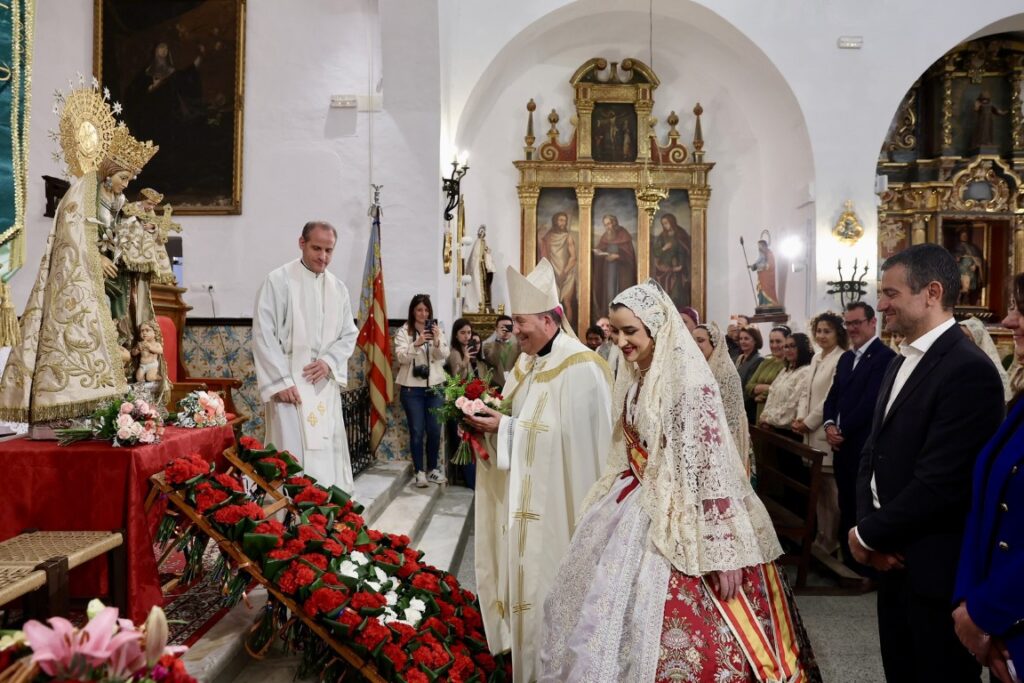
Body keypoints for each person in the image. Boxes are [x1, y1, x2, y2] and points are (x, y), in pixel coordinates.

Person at [538, 282, 819, 682]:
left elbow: (711, 469)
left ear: (657, 328)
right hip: (636, 500)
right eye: (616, 332)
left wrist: (722, 552)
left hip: (686, 516)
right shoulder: (638, 377)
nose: (621, 341)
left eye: (631, 331)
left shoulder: (690, 386)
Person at [849, 243, 1004, 682]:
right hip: (891, 559)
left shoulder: (967, 369)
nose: (882, 304)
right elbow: (872, 452)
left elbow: (941, 482)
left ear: (931, 293)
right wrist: (868, 530)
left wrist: (868, 534)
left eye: (891, 293)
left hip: (934, 569)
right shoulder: (903, 359)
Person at [465, 258, 612, 681]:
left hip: (560, 511)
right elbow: (515, 415)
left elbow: (577, 446)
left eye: (521, 322)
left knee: (550, 593)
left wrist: (507, 428)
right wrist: (484, 421)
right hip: (525, 504)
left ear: (549, 320)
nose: (515, 331)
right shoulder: (528, 364)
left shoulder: (582, 368)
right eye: (513, 322)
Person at [0, 92, 160, 425]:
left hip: (114, 275)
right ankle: (85, 398)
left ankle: (118, 392)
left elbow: (121, 226)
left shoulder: (116, 199)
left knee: (120, 326)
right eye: (123, 178)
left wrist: (142, 226)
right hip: (86, 278)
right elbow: (70, 238)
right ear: (109, 172)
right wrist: (95, 258)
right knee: (95, 329)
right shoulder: (80, 194)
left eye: (128, 180)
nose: (125, 185)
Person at [953, 272, 1024, 683]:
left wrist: (987, 612)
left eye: (1021, 311)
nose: (1009, 321)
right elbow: (984, 504)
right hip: (999, 621)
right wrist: (969, 605)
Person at [252, 221, 359, 491]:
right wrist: (279, 382)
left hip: (323, 386)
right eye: (316, 248)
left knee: (327, 457)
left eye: (329, 250)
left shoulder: (338, 288)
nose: (323, 257)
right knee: (292, 455)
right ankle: (289, 512)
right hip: (290, 386)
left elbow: (349, 334)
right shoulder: (278, 281)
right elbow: (264, 334)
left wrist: (329, 362)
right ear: (302, 243)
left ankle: (325, 510)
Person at [821, 303, 896, 575]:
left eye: (857, 323)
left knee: (861, 504)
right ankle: (847, 561)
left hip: (862, 444)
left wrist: (842, 430)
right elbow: (833, 396)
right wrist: (829, 423)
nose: (851, 328)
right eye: (848, 323)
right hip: (841, 445)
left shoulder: (885, 357)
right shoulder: (845, 358)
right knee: (845, 503)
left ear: (872, 323)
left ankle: (863, 566)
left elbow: (871, 403)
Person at [793, 311, 847, 555]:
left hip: (823, 430)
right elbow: (806, 391)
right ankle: (820, 536)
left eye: (828, 331)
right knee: (818, 490)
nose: (822, 335)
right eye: (819, 331)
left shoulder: (841, 358)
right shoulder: (816, 357)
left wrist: (809, 422)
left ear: (838, 333)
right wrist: (800, 417)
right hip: (809, 431)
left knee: (830, 491)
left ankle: (831, 540)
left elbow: (830, 398)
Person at [394, 294, 450, 488]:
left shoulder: (437, 330)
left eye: (426, 310)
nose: (423, 313)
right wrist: (417, 343)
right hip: (412, 390)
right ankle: (419, 472)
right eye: (419, 310)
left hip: (435, 388)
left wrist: (436, 340)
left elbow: (443, 356)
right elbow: (401, 358)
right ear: (412, 311)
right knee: (417, 431)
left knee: (434, 430)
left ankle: (432, 469)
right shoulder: (403, 332)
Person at [693, 323, 753, 476]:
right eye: (693, 341)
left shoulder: (726, 373)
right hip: (702, 439)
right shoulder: (698, 369)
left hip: (725, 443)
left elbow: (732, 420)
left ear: (715, 344)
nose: (695, 345)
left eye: (700, 340)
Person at [758, 332, 815, 442]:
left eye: (792, 346)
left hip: (790, 431)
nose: (788, 350)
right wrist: (765, 416)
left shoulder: (806, 371)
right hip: (773, 427)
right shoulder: (785, 371)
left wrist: (769, 419)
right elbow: (772, 394)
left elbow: (792, 405)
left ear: (802, 348)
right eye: (786, 346)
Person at [591, 214, 637, 314]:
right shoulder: (606, 236)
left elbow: (630, 255)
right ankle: (609, 314)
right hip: (608, 270)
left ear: (614, 223)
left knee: (621, 292)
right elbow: (601, 248)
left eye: (609, 224)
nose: (607, 227)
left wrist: (618, 256)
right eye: (605, 225)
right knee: (609, 292)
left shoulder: (623, 234)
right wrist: (598, 252)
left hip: (622, 271)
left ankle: (622, 315)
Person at [539, 212, 579, 325]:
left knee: (567, 302)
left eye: (565, 220)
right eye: (561, 220)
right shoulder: (548, 237)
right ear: (555, 221)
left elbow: (573, 257)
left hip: (567, 274)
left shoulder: (568, 237)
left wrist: (564, 272)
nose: (563, 223)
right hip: (552, 274)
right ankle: (554, 329)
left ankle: (568, 330)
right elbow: (544, 255)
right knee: (552, 304)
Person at [745, 325, 790, 424]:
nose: (774, 345)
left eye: (778, 341)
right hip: (760, 411)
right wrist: (769, 387)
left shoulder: (789, 364)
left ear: (787, 342)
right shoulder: (766, 361)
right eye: (771, 341)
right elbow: (748, 386)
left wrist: (760, 392)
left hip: (777, 415)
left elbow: (781, 390)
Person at [960, 316, 1012, 402]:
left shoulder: (992, 371)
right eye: (960, 336)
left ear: (977, 340)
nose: (962, 341)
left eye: (967, 337)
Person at [652, 212, 691, 305]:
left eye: (666, 223)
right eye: (663, 224)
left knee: (676, 291)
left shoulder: (681, 234)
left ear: (672, 222)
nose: (664, 226)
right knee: (665, 291)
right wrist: (664, 248)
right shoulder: (662, 236)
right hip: (664, 267)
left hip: (677, 267)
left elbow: (686, 250)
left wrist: (681, 265)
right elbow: (656, 252)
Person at [480, 314, 520, 388]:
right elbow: (493, 360)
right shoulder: (488, 346)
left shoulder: (518, 346)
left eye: (508, 327)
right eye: (502, 328)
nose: (505, 330)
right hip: (496, 386)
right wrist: (498, 340)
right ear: (496, 329)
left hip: (513, 384)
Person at [750, 239, 780, 308]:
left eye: (760, 246)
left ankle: (770, 303)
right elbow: (759, 262)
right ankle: (762, 303)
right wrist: (754, 266)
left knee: (767, 290)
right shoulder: (762, 254)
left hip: (767, 278)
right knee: (761, 290)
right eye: (758, 247)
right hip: (762, 277)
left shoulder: (769, 254)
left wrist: (757, 266)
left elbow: (769, 266)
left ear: (764, 246)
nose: (759, 248)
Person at [734, 326, 764, 392]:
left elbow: (749, 386)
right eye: (741, 339)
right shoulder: (739, 358)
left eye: (746, 339)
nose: (742, 342)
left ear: (755, 340)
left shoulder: (759, 360)